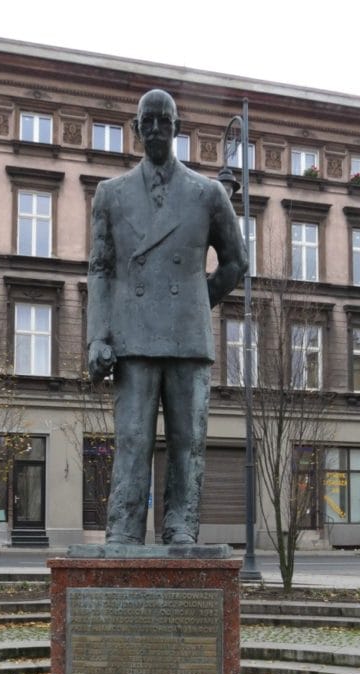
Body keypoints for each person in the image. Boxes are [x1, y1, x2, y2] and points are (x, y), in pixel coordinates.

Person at [87, 88, 247, 545]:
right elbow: (99, 269)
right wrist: (98, 337)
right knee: (133, 439)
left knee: (187, 442)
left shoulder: (208, 194)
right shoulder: (110, 195)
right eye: (148, 121)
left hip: (187, 337)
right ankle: (123, 526)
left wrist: (198, 299)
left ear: (177, 129)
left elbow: (236, 262)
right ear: (136, 129)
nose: (156, 128)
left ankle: (180, 525)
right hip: (132, 336)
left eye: (165, 120)